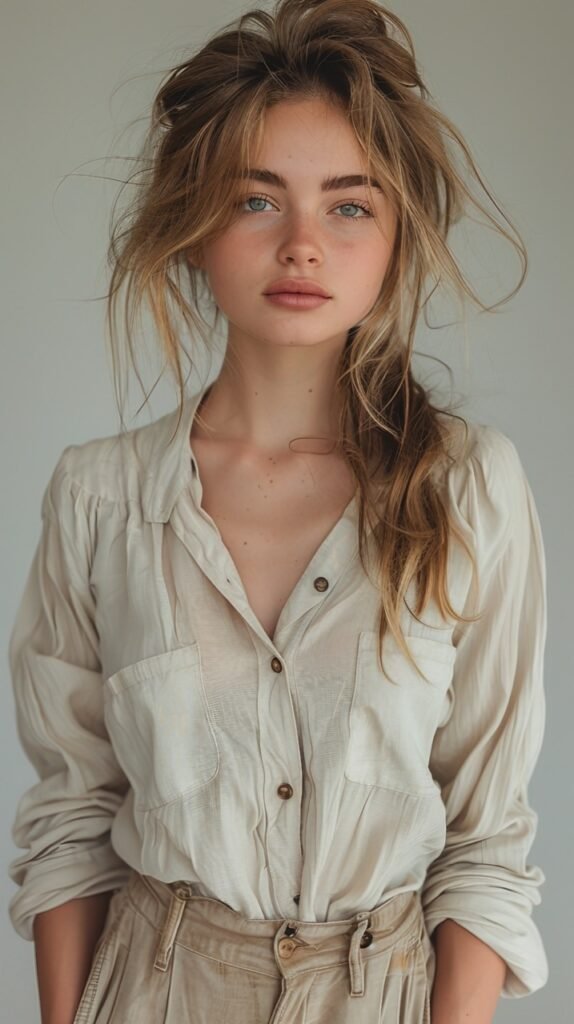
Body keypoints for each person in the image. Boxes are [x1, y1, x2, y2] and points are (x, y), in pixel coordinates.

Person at [7, 1, 548, 1021]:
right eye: (257, 200)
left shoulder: (466, 489)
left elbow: (484, 841)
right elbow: (72, 824)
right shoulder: (100, 499)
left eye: (349, 206)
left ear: (394, 237)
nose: (303, 244)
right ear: (191, 226)